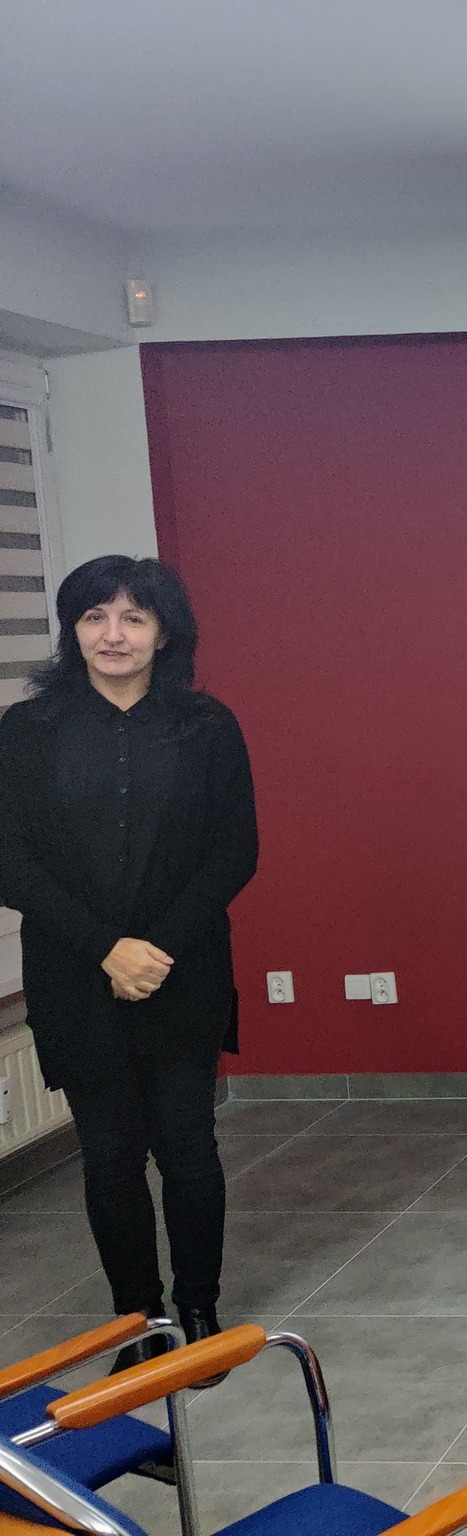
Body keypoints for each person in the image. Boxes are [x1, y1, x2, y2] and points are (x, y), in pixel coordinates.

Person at [0, 556, 257, 1375]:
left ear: (164, 632)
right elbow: (10, 859)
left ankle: (199, 1312)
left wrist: (156, 949)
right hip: (74, 976)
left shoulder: (207, 726)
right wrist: (105, 948)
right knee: (110, 1155)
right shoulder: (26, 731)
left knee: (187, 1145)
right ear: (72, 630)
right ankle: (138, 1322)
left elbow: (234, 851)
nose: (113, 635)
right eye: (94, 617)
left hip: (184, 971)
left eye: (133, 618)